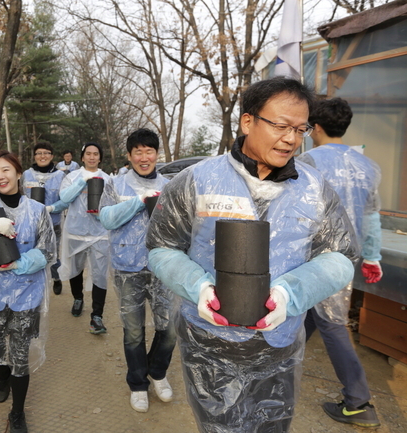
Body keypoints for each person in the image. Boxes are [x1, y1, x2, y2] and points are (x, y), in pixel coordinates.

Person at [146, 77, 359, 432]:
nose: (291, 138)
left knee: (272, 426)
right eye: (280, 125)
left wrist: (291, 293)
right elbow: (162, 246)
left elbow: (340, 257)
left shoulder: (315, 189)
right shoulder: (196, 180)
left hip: (279, 346)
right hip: (210, 344)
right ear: (248, 122)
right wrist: (198, 288)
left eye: (300, 129)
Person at [298, 97, 382, 428]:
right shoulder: (369, 166)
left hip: (315, 257)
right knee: (306, 314)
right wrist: (372, 257)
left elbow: (297, 213)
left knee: (331, 323)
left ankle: (358, 401)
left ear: (315, 128)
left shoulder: (307, 162)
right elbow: (372, 217)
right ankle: (269, 363)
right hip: (347, 259)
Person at [0, 151, 56, 433]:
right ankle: (0, 374)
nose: (1, 177)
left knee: (20, 357)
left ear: (19, 174)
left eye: (6, 170)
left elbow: (48, 251)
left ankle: (17, 413)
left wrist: (19, 263)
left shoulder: (37, 211)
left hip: (26, 294)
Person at [99, 128, 176, 413]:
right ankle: (138, 384)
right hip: (126, 267)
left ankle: (157, 372)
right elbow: (106, 218)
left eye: (149, 151)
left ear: (157, 154)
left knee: (169, 329)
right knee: (133, 332)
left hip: (163, 267)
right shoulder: (115, 184)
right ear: (129, 155)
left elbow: (180, 226)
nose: (144, 157)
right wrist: (139, 201)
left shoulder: (170, 185)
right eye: (138, 152)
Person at [58, 142, 112, 334]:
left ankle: (97, 316)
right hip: (76, 231)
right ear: (82, 157)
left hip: (100, 234)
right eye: (88, 154)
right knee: (76, 269)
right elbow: (64, 198)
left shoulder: (107, 179)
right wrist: (84, 181)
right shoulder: (72, 177)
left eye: (95, 154)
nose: (91, 157)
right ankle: (78, 297)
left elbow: (112, 205)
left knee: (100, 273)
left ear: (100, 157)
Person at [22, 142, 67, 295]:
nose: (43, 156)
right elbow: (20, 196)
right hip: (30, 224)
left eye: (46, 153)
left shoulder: (60, 176)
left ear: (52, 156)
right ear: (34, 156)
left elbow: (65, 199)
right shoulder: (26, 175)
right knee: (32, 253)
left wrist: (51, 208)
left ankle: (56, 278)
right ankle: (33, 284)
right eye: (39, 153)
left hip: (53, 223)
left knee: (52, 254)